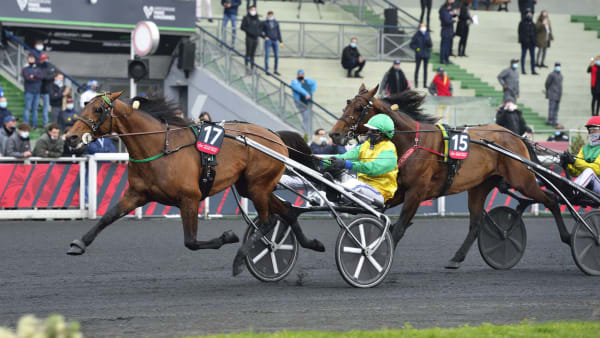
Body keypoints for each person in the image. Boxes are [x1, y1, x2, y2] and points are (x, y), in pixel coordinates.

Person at [326, 114, 398, 205]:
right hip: (364, 190)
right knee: (350, 183)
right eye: (369, 129)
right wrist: (318, 160)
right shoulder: (365, 145)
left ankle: (338, 194)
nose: (368, 132)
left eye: (372, 130)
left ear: (382, 133)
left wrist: (347, 164)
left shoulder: (389, 149)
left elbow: (373, 169)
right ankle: (337, 194)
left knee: (354, 184)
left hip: (380, 193)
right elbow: (344, 157)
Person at [560, 116, 600, 195]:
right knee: (587, 171)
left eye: (594, 129)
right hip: (591, 186)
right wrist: (568, 165)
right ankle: (572, 191)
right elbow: (577, 173)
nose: (591, 132)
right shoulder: (585, 148)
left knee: (590, 171)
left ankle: (573, 191)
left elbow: (596, 169)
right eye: (589, 129)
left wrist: (574, 161)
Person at [291, 69, 317, 136]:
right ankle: (305, 131)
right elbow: (298, 88)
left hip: (309, 102)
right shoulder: (295, 81)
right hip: (301, 102)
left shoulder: (307, 80)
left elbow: (314, 83)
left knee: (308, 117)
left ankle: (308, 131)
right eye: (300, 74)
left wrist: (311, 92)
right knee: (306, 117)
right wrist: (306, 94)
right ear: (297, 74)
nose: (301, 75)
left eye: (302, 74)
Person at [22, 53, 43, 128]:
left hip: (37, 92)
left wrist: (34, 76)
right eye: (30, 58)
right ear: (28, 59)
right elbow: (28, 78)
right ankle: (25, 125)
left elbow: (41, 76)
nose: (31, 60)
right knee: (27, 109)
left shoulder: (38, 69)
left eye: (32, 58)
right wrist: (35, 78)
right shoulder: (25, 69)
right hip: (29, 91)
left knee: (35, 109)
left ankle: (34, 125)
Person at [410, 23, 432, 88]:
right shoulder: (417, 35)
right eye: (422, 26)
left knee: (425, 70)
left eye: (424, 26)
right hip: (419, 54)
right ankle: (416, 84)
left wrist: (428, 41)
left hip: (426, 54)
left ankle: (424, 84)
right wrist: (417, 49)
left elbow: (430, 45)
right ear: (420, 27)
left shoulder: (427, 34)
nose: (424, 27)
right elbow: (412, 44)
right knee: (417, 69)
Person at [262, 11, 282, 76]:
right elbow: (260, 31)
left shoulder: (276, 23)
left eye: (271, 15)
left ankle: (275, 70)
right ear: (267, 15)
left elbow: (278, 32)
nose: (270, 16)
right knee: (267, 55)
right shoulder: (264, 23)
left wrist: (281, 41)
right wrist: (264, 37)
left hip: (275, 40)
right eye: (269, 15)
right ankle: (266, 70)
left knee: (276, 56)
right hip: (268, 40)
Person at [518, 9, 537, 75]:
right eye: (528, 13)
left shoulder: (533, 24)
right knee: (523, 56)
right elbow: (520, 32)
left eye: (531, 13)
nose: (530, 15)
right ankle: (523, 70)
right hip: (525, 43)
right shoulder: (522, 23)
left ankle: (533, 70)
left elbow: (535, 33)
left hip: (532, 43)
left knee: (532, 57)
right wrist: (521, 41)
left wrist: (535, 41)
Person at [39, 53, 56, 127]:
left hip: (47, 90)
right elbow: (39, 76)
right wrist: (44, 76)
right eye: (43, 59)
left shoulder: (51, 66)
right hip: (38, 89)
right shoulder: (38, 66)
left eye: (46, 58)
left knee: (46, 107)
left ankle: (45, 123)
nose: (45, 60)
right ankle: (35, 123)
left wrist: (44, 77)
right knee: (34, 107)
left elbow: (51, 76)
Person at [439, 0, 457, 65]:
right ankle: (442, 59)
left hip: (450, 31)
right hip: (445, 31)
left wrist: (455, 14)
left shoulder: (449, 10)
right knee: (444, 46)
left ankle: (446, 59)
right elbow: (447, 21)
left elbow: (452, 15)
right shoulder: (443, 11)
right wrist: (454, 20)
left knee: (448, 46)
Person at [544, 62, 563, 127]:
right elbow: (547, 83)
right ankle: (550, 120)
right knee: (551, 108)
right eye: (557, 66)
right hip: (552, 94)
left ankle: (555, 120)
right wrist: (548, 91)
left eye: (559, 66)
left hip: (558, 94)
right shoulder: (551, 74)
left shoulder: (561, 75)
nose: (558, 67)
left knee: (556, 108)